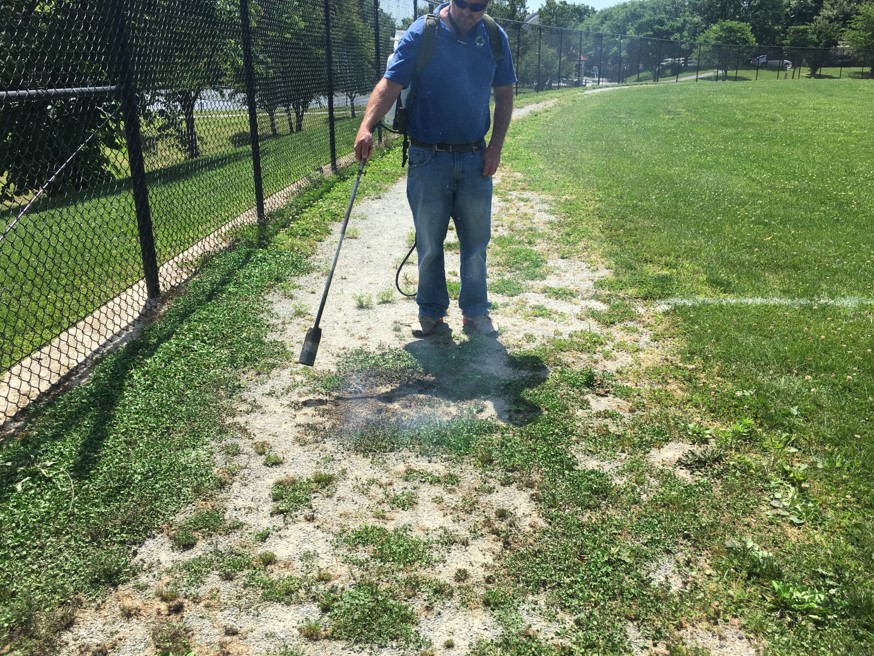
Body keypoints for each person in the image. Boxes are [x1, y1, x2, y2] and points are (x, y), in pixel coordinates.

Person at [354, 0, 516, 338]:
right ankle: (431, 314)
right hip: (427, 158)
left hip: (474, 158)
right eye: (463, 4)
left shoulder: (494, 36)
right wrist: (367, 125)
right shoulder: (423, 32)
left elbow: (504, 93)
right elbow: (391, 82)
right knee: (429, 242)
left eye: (478, 6)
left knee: (476, 244)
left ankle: (475, 313)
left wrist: (495, 147)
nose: (469, 13)